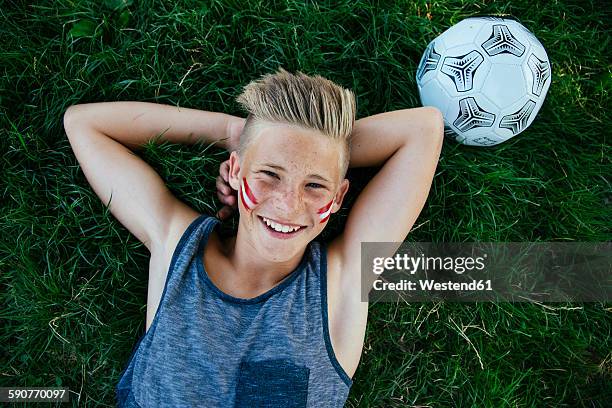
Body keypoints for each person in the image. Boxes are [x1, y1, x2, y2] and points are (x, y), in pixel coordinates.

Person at [63, 67, 443, 407]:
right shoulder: (179, 246)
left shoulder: (341, 282)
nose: (288, 205)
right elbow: (84, 124)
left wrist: (308, 149)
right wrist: (236, 134)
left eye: (314, 185)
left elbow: (423, 130)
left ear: (339, 197)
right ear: (235, 172)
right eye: (269, 175)